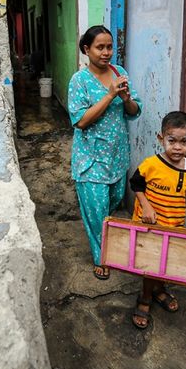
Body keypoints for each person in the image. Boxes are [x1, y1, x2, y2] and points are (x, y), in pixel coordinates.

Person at [68, 25, 142, 280]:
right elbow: (80, 121)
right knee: (96, 211)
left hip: (116, 157)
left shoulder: (119, 72)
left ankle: (105, 240)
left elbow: (133, 111)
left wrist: (126, 100)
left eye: (109, 47)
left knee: (112, 203)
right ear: (87, 50)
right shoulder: (79, 81)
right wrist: (110, 95)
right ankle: (101, 257)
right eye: (100, 47)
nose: (106, 52)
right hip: (90, 159)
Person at [129, 111, 186, 329]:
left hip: (173, 227)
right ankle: (145, 298)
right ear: (161, 139)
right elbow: (136, 183)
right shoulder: (151, 164)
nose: (177, 147)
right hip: (148, 226)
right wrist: (146, 205)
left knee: (164, 263)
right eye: (171, 141)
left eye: (183, 142)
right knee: (150, 264)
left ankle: (158, 290)